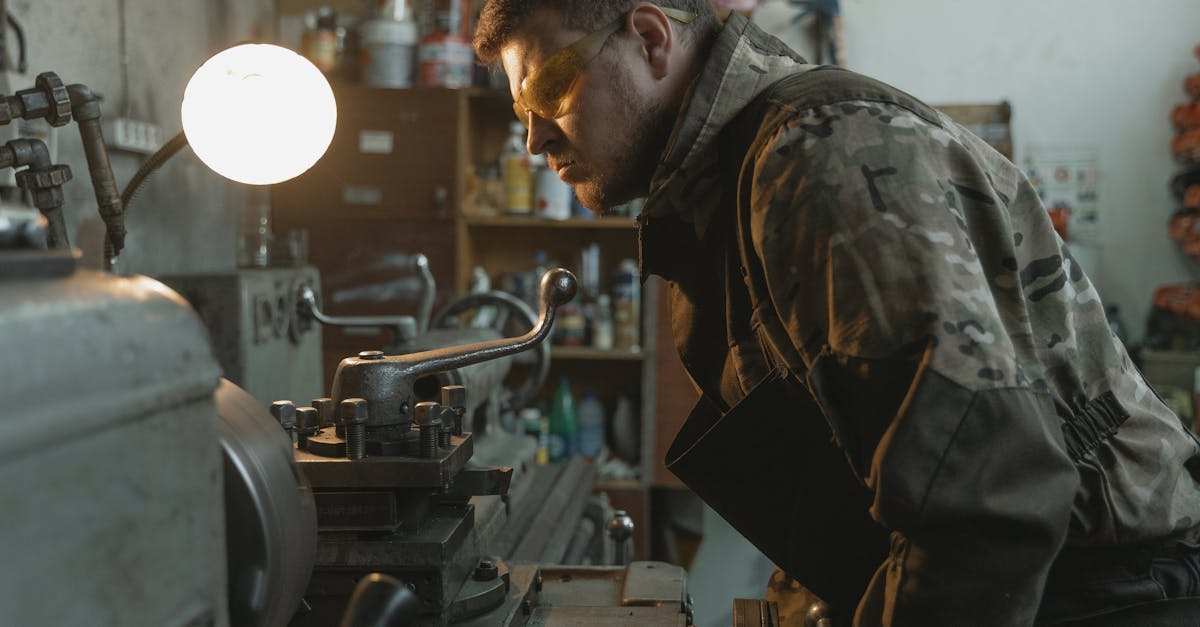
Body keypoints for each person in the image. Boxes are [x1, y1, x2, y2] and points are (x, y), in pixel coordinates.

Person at [474, 2, 1200, 625]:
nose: (536, 137)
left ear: (652, 38)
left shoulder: (822, 158)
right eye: (520, 113)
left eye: (549, 89)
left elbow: (988, 507)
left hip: (1101, 595)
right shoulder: (726, 184)